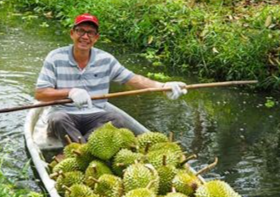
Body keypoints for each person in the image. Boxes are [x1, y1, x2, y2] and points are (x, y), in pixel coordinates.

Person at [34, 13, 188, 143]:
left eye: (90, 33)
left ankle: (80, 151)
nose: (85, 37)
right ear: (72, 33)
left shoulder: (105, 59)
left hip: (96, 115)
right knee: (58, 120)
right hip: (65, 113)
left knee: (117, 120)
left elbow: (133, 79)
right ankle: (84, 152)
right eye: (80, 31)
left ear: (96, 38)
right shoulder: (55, 57)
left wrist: (161, 86)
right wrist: (70, 92)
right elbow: (41, 94)